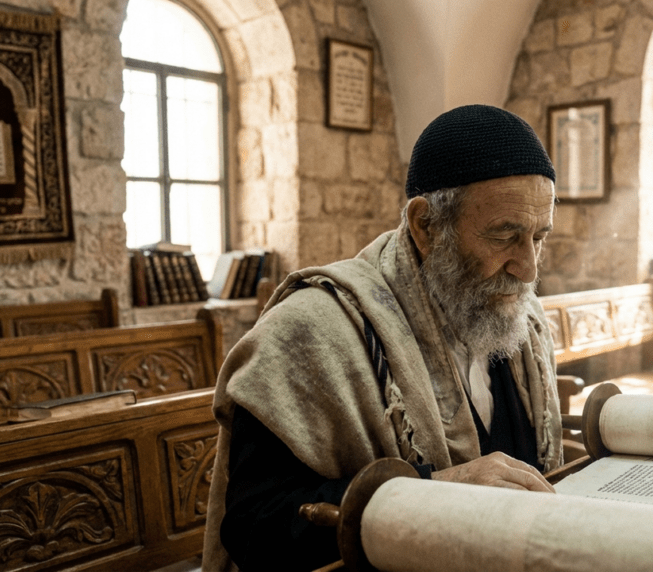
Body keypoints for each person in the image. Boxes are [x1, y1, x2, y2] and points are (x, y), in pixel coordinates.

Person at [202, 104, 564, 571]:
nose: (529, 269)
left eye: (539, 237)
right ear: (425, 226)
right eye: (504, 236)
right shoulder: (309, 333)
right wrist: (434, 493)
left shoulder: (521, 322)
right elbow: (256, 528)